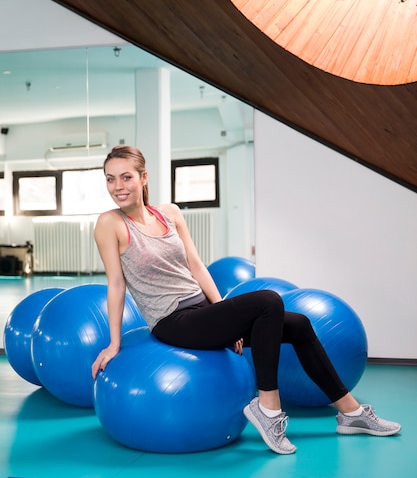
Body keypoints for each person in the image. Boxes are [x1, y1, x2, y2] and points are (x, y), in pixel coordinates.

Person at [91, 145, 401, 454]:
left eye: (126, 177)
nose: (118, 186)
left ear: (144, 178)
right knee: (268, 301)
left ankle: (351, 413)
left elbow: (196, 266)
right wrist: (114, 343)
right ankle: (268, 408)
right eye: (110, 179)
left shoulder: (168, 213)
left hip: (201, 311)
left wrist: (224, 319)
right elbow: (116, 285)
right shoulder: (111, 224)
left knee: (299, 324)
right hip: (173, 321)